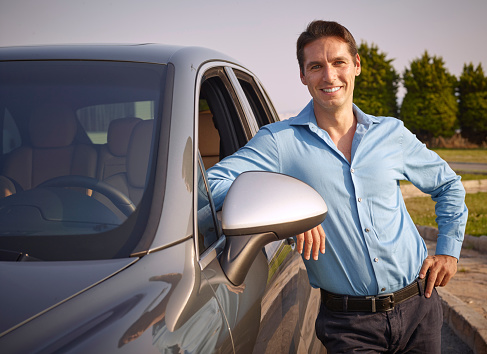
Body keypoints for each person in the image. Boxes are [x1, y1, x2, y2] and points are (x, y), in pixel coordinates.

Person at [207, 20, 468, 353]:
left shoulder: (391, 134)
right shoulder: (279, 142)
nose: (329, 76)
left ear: (356, 66)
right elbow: (212, 183)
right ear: (303, 75)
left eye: (338, 63)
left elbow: (448, 184)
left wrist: (448, 250)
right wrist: (286, 215)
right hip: (349, 325)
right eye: (316, 66)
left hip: (420, 306)